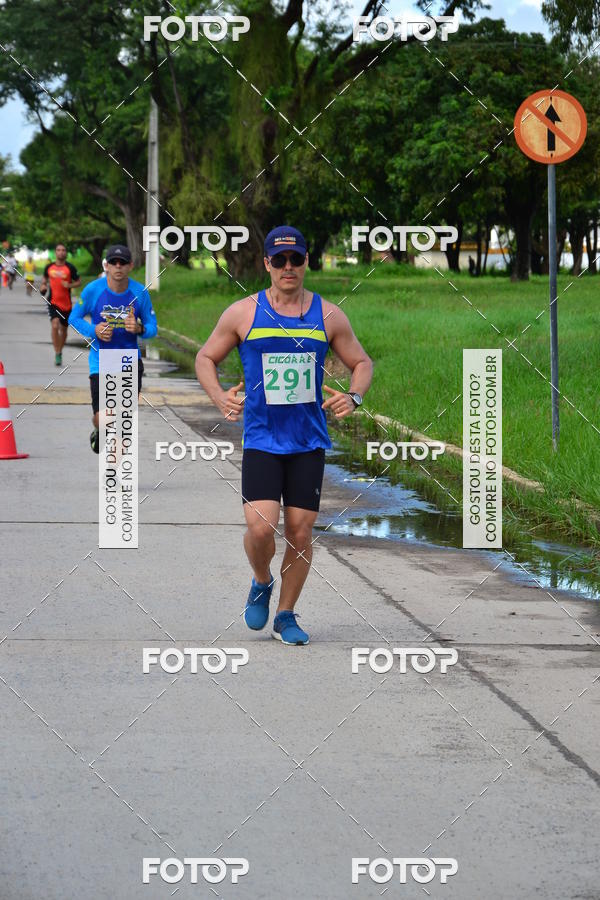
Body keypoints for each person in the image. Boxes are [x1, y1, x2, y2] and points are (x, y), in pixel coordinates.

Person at [196, 226, 373, 645]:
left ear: (307, 261)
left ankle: (287, 615)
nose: (288, 267)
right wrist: (220, 396)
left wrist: (355, 396)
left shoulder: (329, 315)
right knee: (261, 528)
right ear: (267, 264)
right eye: (280, 260)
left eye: (296, 259)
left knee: (299, 531)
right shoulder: (242, 312)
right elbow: (206, 356)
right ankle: (261, 580)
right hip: (261, 438)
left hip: (308, 440)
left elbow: (361, 362)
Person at [68, 244, 157, 453]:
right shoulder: (93, 290)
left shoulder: (139, 292)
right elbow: (73, 318)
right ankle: (99, 431)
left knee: (123, 419)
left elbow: (153, 328)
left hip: (129, 361)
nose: (118, 267)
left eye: (123, 263)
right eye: (114, 263)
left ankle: (116, 477)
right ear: (106, 266)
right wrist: (93, 330)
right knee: (105, 418)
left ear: (130, 266)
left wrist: (139, 328)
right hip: (101, 361)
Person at [40, 244, 81, 366]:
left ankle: (60, 351)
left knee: (64, 329)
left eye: (63, 250)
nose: (61, 252)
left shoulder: (70, 268)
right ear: (55, 252)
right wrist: (43, 286)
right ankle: (57, 352)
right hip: (52, 301)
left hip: (66, 304)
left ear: (66, 253)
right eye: (58, 250)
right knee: (55, 324)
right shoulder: (49, 267)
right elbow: (44, 280)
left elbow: (78, 282)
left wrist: (69, 285)